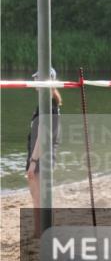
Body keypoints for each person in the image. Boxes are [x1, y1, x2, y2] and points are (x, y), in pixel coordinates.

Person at [26, 67, 62, 237]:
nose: (35, 82)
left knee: (41, 197)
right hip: (41, 156)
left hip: (41, 157)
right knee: (38, 196)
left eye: (37, 79)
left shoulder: (48, 105)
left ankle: (43, 233)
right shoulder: (47, 103)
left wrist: (33, 162)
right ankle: (38, 232)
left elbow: (43, 135)